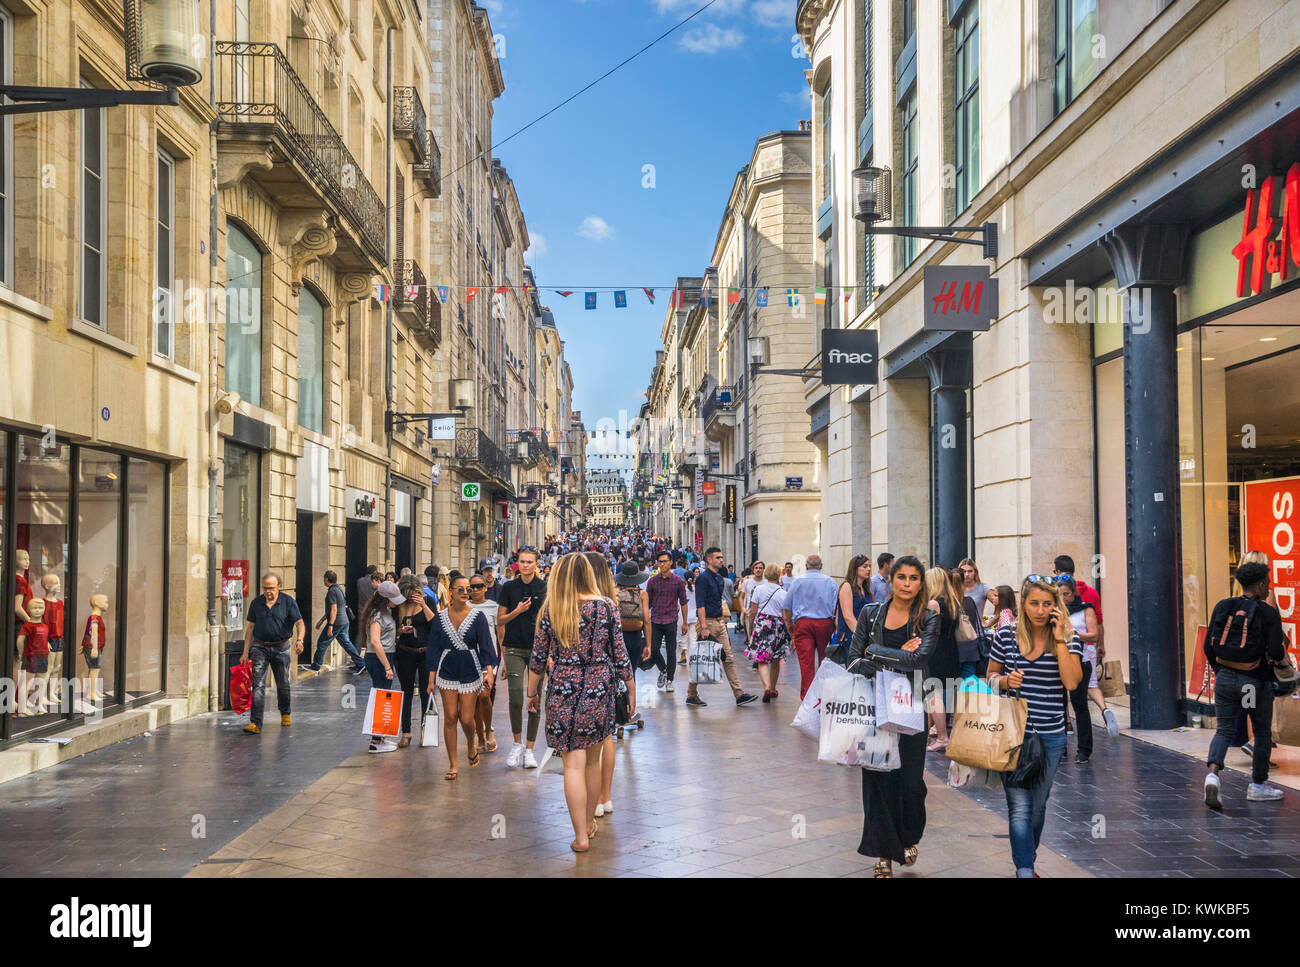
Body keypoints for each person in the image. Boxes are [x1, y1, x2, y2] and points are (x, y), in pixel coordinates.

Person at [527, 553, 634, 853]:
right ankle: (589, 822)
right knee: (592, 761)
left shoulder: (551, 609)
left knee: (572, 765)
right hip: (600, 687)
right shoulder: (607, 607)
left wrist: (532, 693)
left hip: (563, 687)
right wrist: (630, 685)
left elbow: (537, 659)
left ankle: (580, 837)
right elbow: (620, 652)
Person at [846, 555, 939, 878]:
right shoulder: (871, 614)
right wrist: (893, 656)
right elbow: (853, 660)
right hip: (874, 707)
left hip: (913, 708)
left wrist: (876, 652)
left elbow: (921, 659)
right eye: (902, 577)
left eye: (914, 579)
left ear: (921, 583)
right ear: (892, 580)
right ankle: (883, 854)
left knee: (912, 784)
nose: (907, 584)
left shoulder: (928, 618)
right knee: (878, 781)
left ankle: (909, 837)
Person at [986, 574, 1084, 877]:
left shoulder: (1067, 637)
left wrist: (1058, 640)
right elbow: (988, 679)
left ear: (1056, 606)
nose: (1040, 610)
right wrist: (1004, 680)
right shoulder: (1005, 635)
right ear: (1023, 604)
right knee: (1020, 807)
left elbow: (1072, 682)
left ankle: (1028, 857)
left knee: (1039, 807)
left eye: (1047, 604)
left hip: (1051, 735)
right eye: (1034, 603)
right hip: (1013, 735)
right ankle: (1025, 869)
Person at [1203, 561, 1288, 807]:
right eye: (1268, 583)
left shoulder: (1223, 606)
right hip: (1253, 684)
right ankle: (1258, 786)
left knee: (1224, 730)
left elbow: (1209, 645)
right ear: (1261, 584)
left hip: (1226, 680)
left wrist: (1221, 670)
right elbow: (1275, 650)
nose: (1269, 588)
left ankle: (1212, 775)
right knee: (1261, 732)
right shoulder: (1267, 613)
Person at [426, 575, 497, 780]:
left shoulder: (478, 617)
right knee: (450, 716)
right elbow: (433, 649)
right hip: (447, 667)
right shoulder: (440, 618)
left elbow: (486, 647)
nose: (466, 593)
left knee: (466, 718)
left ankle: (471, 742)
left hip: (470, 667)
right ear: (451, 593)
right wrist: (431, 678)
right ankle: (453, 765)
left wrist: (489, 672)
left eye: (468, 589)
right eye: (461, 589)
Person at [594, 553, 648, 817]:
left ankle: (618, 708)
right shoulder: (639, 595)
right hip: (634, 638)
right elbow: (646, 619)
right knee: (630, 674)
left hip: (612, 645)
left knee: (616, 676)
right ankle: (625, 710)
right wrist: (649, 643)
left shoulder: (611, 597)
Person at [686, 547, 758, 708]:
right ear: (709, 560)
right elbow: (700, 604)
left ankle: (739, 695)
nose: (721, 560)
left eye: (721, 557)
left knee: (729, 658)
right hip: (707, 623)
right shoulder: (703, 579)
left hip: (720, 622)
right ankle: (691, 694)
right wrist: (703, 626)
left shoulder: (719, 578)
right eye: (718, 557)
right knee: (702, 660)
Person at [497, 547, 547, 769]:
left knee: (534, 698)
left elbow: (550, 620)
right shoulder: (509, 587)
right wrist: (517, 611)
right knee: (516, 697)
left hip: (538, 649)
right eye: (522, 562)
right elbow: (500, 620)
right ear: (517, 564)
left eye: (530, 562)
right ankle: (517, 744)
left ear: (536, 564)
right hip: (514, 648)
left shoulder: (544, 587)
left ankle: (529, 749)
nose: (526, 565)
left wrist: (552, 652)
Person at [1059, 576, 1117, 763]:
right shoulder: (1056, 610)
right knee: (1059, 704)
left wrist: (1072, 635)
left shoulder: (1085, 608)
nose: (1063, 598)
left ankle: (1084, 749)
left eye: (1066, 594)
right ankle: (1060, 748)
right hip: (1058, 659)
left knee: (1079, 703)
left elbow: (1093, 633)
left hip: (1081, 658)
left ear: (1073, 592)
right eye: (1059, 595)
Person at [240, 572, 305, 735]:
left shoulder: (288, 602)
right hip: (259, 647)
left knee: (282, 683)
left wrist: (300, 640)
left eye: (271, 588)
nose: (268, 591)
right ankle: (256, 723)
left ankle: (285, 713)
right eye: (265, 588)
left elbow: (299, 623)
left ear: (279, 587)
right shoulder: (256, 603)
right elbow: (250, 628)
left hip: (281, 647)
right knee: (258, 685)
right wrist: (245, 651)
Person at [358, 579, 407, 754]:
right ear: (385, 598)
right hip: (379, 658)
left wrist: (399, 632)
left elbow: (381, 638)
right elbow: (375, 641)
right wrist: (387, 666)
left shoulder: (384, 612)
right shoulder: (377, 616)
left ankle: (379, 737)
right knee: (381, 697)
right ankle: (376, 740)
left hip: (383, 657)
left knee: (382, 696)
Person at [783, 555, 838, 700]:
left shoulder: (797, 582)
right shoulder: (830, 582)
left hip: (803, 623)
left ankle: (807, 699)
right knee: (825, 661)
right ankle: (823, 697)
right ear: (821, 566)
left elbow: (786, 607)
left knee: (806, 664)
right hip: (824, 623)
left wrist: (790, 627)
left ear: (806, 566)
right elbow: (835, 609)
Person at [922, 567, 962, 752]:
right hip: (950, 650)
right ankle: (926, 734)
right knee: (931, 694)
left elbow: (928, 631)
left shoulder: (933, 604)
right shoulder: (952, 601)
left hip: (935, 652)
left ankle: (942, 736)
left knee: (932, 694)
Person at [394, 575, 436, 749]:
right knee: (406, 692)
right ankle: (406, 732)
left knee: (427, 692)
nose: (411, 597)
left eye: (414, 593)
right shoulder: (399, 606)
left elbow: (435, 624)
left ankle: (425, 732)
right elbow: (395, 629)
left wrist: (423, 605)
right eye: (408, 594)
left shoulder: (428, 601)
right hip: (405, 652)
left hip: (425, 652)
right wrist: (401, 630)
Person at [746, 563, 791, 702]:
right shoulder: (784, 593)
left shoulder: (759, 589)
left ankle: (766, 687)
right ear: (779, 575)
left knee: (762, 658)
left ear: (766, 574)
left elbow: (753, 611)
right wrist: (791, 632)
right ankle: (772, 689)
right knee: (776, 658)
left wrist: (751, 628)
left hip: (763, 624)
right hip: (778, 626)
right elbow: (786, 615)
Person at [645, 551, 688, 691]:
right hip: (656, 620)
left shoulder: (678, 581)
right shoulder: (652, 581)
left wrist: (685, 623)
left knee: (671, 651)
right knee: (655, 649)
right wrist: (643, 618)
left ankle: (670, 680)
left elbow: (683, 602)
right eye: (660, 561)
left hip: (671, 620)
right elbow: (648, 603)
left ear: (671, 562)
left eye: (664, 561)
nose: (662, 564)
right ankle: (663, 670)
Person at [308, 570, 365, 674]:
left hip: (337, 622)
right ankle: (361, 663)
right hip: (344, 621)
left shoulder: (331, 592)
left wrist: (330, 625)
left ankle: (315, 666)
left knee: (322, 643)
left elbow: (334, 609)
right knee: (346, 643)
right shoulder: (339, 588)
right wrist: (322, 620)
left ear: (326, 579)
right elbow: (335, 609)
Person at [468, 574, 501, 754]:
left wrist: (503, 660)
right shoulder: (463, 607)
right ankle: (479, 736)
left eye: (479, 586)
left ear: (485, 588)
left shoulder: (494, 607)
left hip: (488, 658)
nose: (474, 590)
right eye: (471, 587)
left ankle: (488, 731)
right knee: (473, 700)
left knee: (483, 695)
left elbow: (500, 633)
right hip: (468, 659)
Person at [834, 555, 872, 661]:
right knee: (853, 672)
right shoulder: (847, 586)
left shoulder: (865, 588)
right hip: (851, 636)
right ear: (855, 568)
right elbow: (848, 617)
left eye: (869, 566)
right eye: (864, 566)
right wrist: (862, 637)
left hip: (863, 635)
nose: (868, 569)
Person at [952, 568, 986, 680]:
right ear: (963, 582)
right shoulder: (969, 601)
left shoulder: (946, 603)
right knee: (968, 686)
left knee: (951, 686)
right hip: (970, 649)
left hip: (953, 650)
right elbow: (974, 625)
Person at [681, 571, 697, 665]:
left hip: (684, 616)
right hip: (694, 616)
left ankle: (683, 654)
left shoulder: (683, 590)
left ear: (684, 579)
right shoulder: (697, 589)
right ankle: (693, 657)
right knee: (693, 637)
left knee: (683, 636)